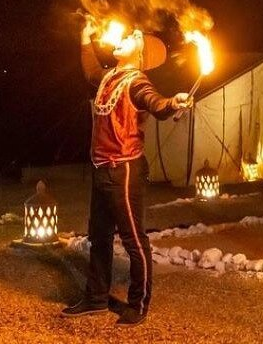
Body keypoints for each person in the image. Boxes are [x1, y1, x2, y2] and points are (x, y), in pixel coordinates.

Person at [61, 22, 191, 327]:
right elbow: (91, 70)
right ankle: (95, 299)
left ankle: (138, 303)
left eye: (133, 37)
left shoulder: (136, 81)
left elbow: (154, 102)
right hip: (101, 168)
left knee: (134, 240)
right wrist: (84, 39)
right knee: (100, 238)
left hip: (125, 170)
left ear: (141, 54)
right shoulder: (109, 77)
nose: (124, 37)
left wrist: (173, 102)